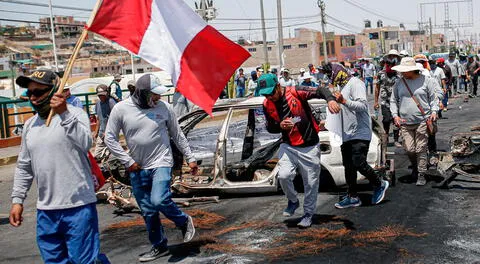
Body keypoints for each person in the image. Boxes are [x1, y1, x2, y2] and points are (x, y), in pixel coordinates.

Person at [10, 70, 108, 263]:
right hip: (46, 210)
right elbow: (24, 166)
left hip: (78, 206)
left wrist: (64, 113)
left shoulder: (76, 114)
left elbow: (85, 142)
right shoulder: (30, 125)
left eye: (38, 92)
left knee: (83, 260)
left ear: (55, 90)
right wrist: (17, 200)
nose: (33, 98)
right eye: (29, 93)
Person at [104, 74, 197, 262]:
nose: (158, 98)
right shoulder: (121, 109)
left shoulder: (165, 108)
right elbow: (109, 138)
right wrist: (127, 161)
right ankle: (159, 245)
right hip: (137, 167)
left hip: (161, 161)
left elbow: (177, 135)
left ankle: (183, 221)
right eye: (155, 94)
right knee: (148, 210)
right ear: (142, 93)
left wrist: (190, 157)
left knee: (159, 199)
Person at [257, 73, 341, 227]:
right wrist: (279, 126)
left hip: (309, 147)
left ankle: (308, 214)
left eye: (271, 93)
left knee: (310, 183)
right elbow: (269, 127)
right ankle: (293, 200)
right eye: (266, 95)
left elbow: (321, 90)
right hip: (288, 146)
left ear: (278, 86)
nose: (270, 97)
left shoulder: (295, 92)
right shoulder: (266, 104)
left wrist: (330, 100)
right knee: (283, 175)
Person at [323, 63, 389, 209]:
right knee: (348, 166)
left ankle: (379, 183)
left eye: (330, 74)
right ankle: (352, 196)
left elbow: (362, 106)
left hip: (360, 132)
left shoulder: (355, 83)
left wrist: (344, 101)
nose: (329, 78)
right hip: (346, 133)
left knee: (358, 162)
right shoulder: (341, 87)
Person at [390, 57, 439, 186]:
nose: (402, 73)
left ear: (412, 70)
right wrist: (395, 116)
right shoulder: (399, 83)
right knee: (410, 149)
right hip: (405, 122)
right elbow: (393, 100)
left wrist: (434, 112)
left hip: (423, 120)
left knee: (421, 148)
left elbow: (434, 99)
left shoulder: (427, 81)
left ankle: (421, 173)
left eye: (405, 71)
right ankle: (416, 166)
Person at [374, 49, 402, 147]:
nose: (390, 67)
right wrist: (375, 101)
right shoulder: (381, 74)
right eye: (388, 65)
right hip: (385, 101)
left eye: (392, 65)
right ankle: (385, 137)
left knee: (396, 120)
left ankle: (396, 139)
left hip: (396, 101)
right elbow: (377, 88)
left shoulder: (399, 74)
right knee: (386, 120)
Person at [93, 84, 117, 161]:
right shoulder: (98, 104)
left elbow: (115, 119)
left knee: (112, 158)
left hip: (110, 134)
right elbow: (98, 119)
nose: (101, 97)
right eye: (99, 95)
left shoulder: (111, 102)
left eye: (103, 95)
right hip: (101, 134)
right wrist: (96, 133)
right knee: (97, 156)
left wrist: (108, 131)